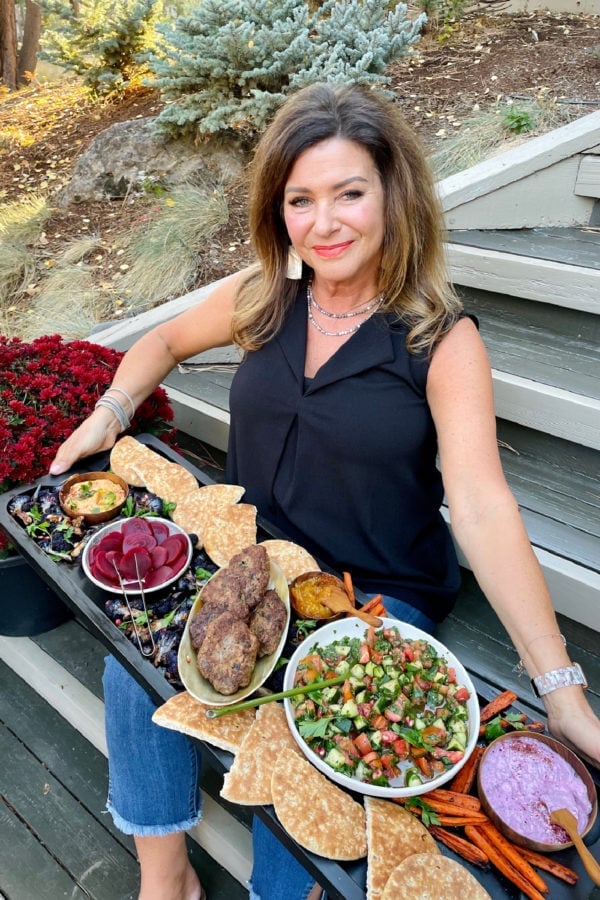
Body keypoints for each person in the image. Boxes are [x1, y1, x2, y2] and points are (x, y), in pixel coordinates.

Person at [50, 82, 600, 900]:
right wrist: (111, 410)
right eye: (300, 200)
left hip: (373, 593)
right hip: (252, 557)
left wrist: (560, 688)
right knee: (136, 665)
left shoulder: (439, 338)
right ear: (279, 211)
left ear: (393, 195)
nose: (325, 222)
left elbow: (482, 505)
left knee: (308, 764)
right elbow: (162, 337)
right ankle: (165, 878)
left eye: (350, 193)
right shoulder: (267, 296)